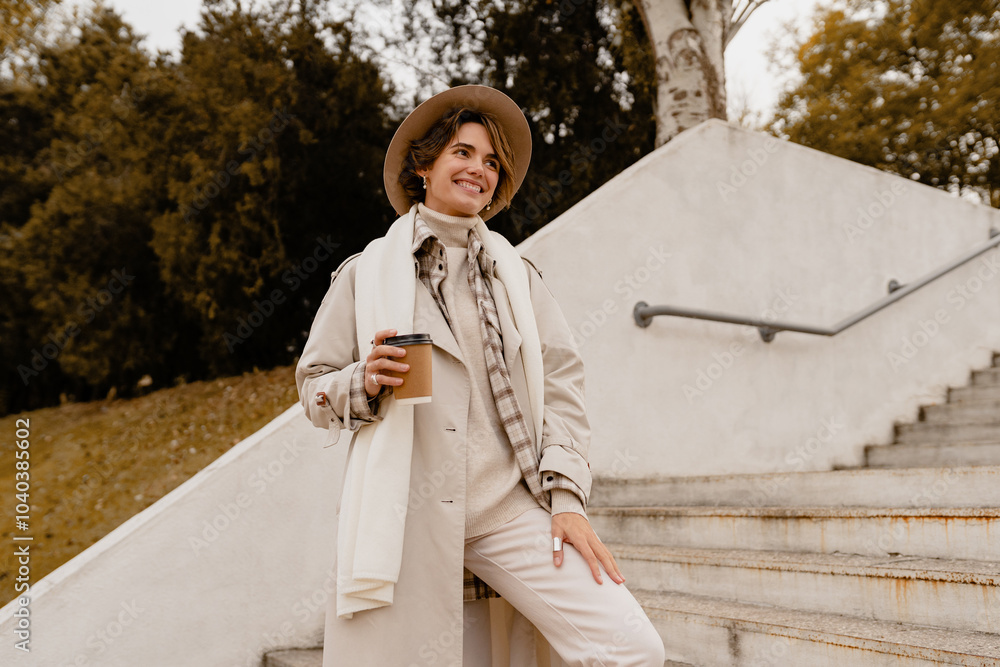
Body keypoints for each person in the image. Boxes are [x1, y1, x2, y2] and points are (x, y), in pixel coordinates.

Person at [296, 85, 665, 667]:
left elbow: (563, 388)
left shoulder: (518, 275)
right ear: (424, 166)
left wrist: (566, 498)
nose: (480, 170)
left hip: (508, 508)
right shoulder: (364, 274)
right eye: (463, 153)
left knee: (632, 646)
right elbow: (313, 389)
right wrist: (361, 381)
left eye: (492, 162)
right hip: (406, 519)